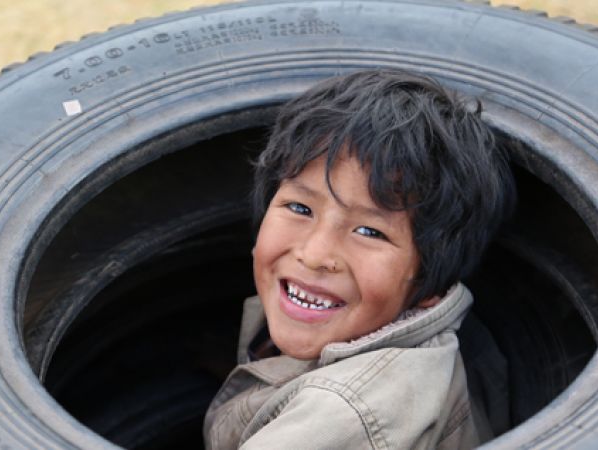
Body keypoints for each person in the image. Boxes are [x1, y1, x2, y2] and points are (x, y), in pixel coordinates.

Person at [203, 69, 515, 449]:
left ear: (430, 285)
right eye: (300, 207)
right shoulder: (365, 321)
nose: (315, 254)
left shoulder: (344, 415)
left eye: (369, 232)